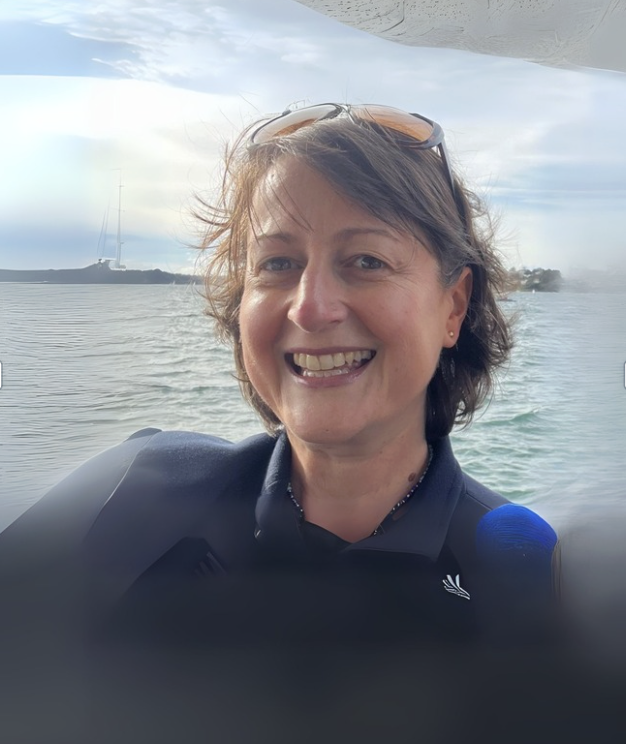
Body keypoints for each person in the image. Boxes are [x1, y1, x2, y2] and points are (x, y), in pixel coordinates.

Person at [0, 103, 557, 649]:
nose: (310, 309)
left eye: (367, 261)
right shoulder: (136, 491)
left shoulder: (524, 576)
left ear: (453, 307)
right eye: (278, 264)